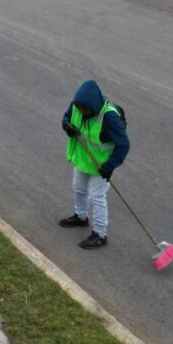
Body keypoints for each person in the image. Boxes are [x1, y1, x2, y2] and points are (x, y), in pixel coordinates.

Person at [59, 79, 130, 249]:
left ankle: (100, 233)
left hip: (101, 165)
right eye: (80, 108)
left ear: (94, 105)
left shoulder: (109, 117)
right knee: (79, 188)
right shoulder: (77, 105)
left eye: (86, 109)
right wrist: (66, 126)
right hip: (83, 159)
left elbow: (124, 144)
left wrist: (110, 165)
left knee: (97, 197)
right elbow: (67, 117)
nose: (82, 112)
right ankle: (81, 217)